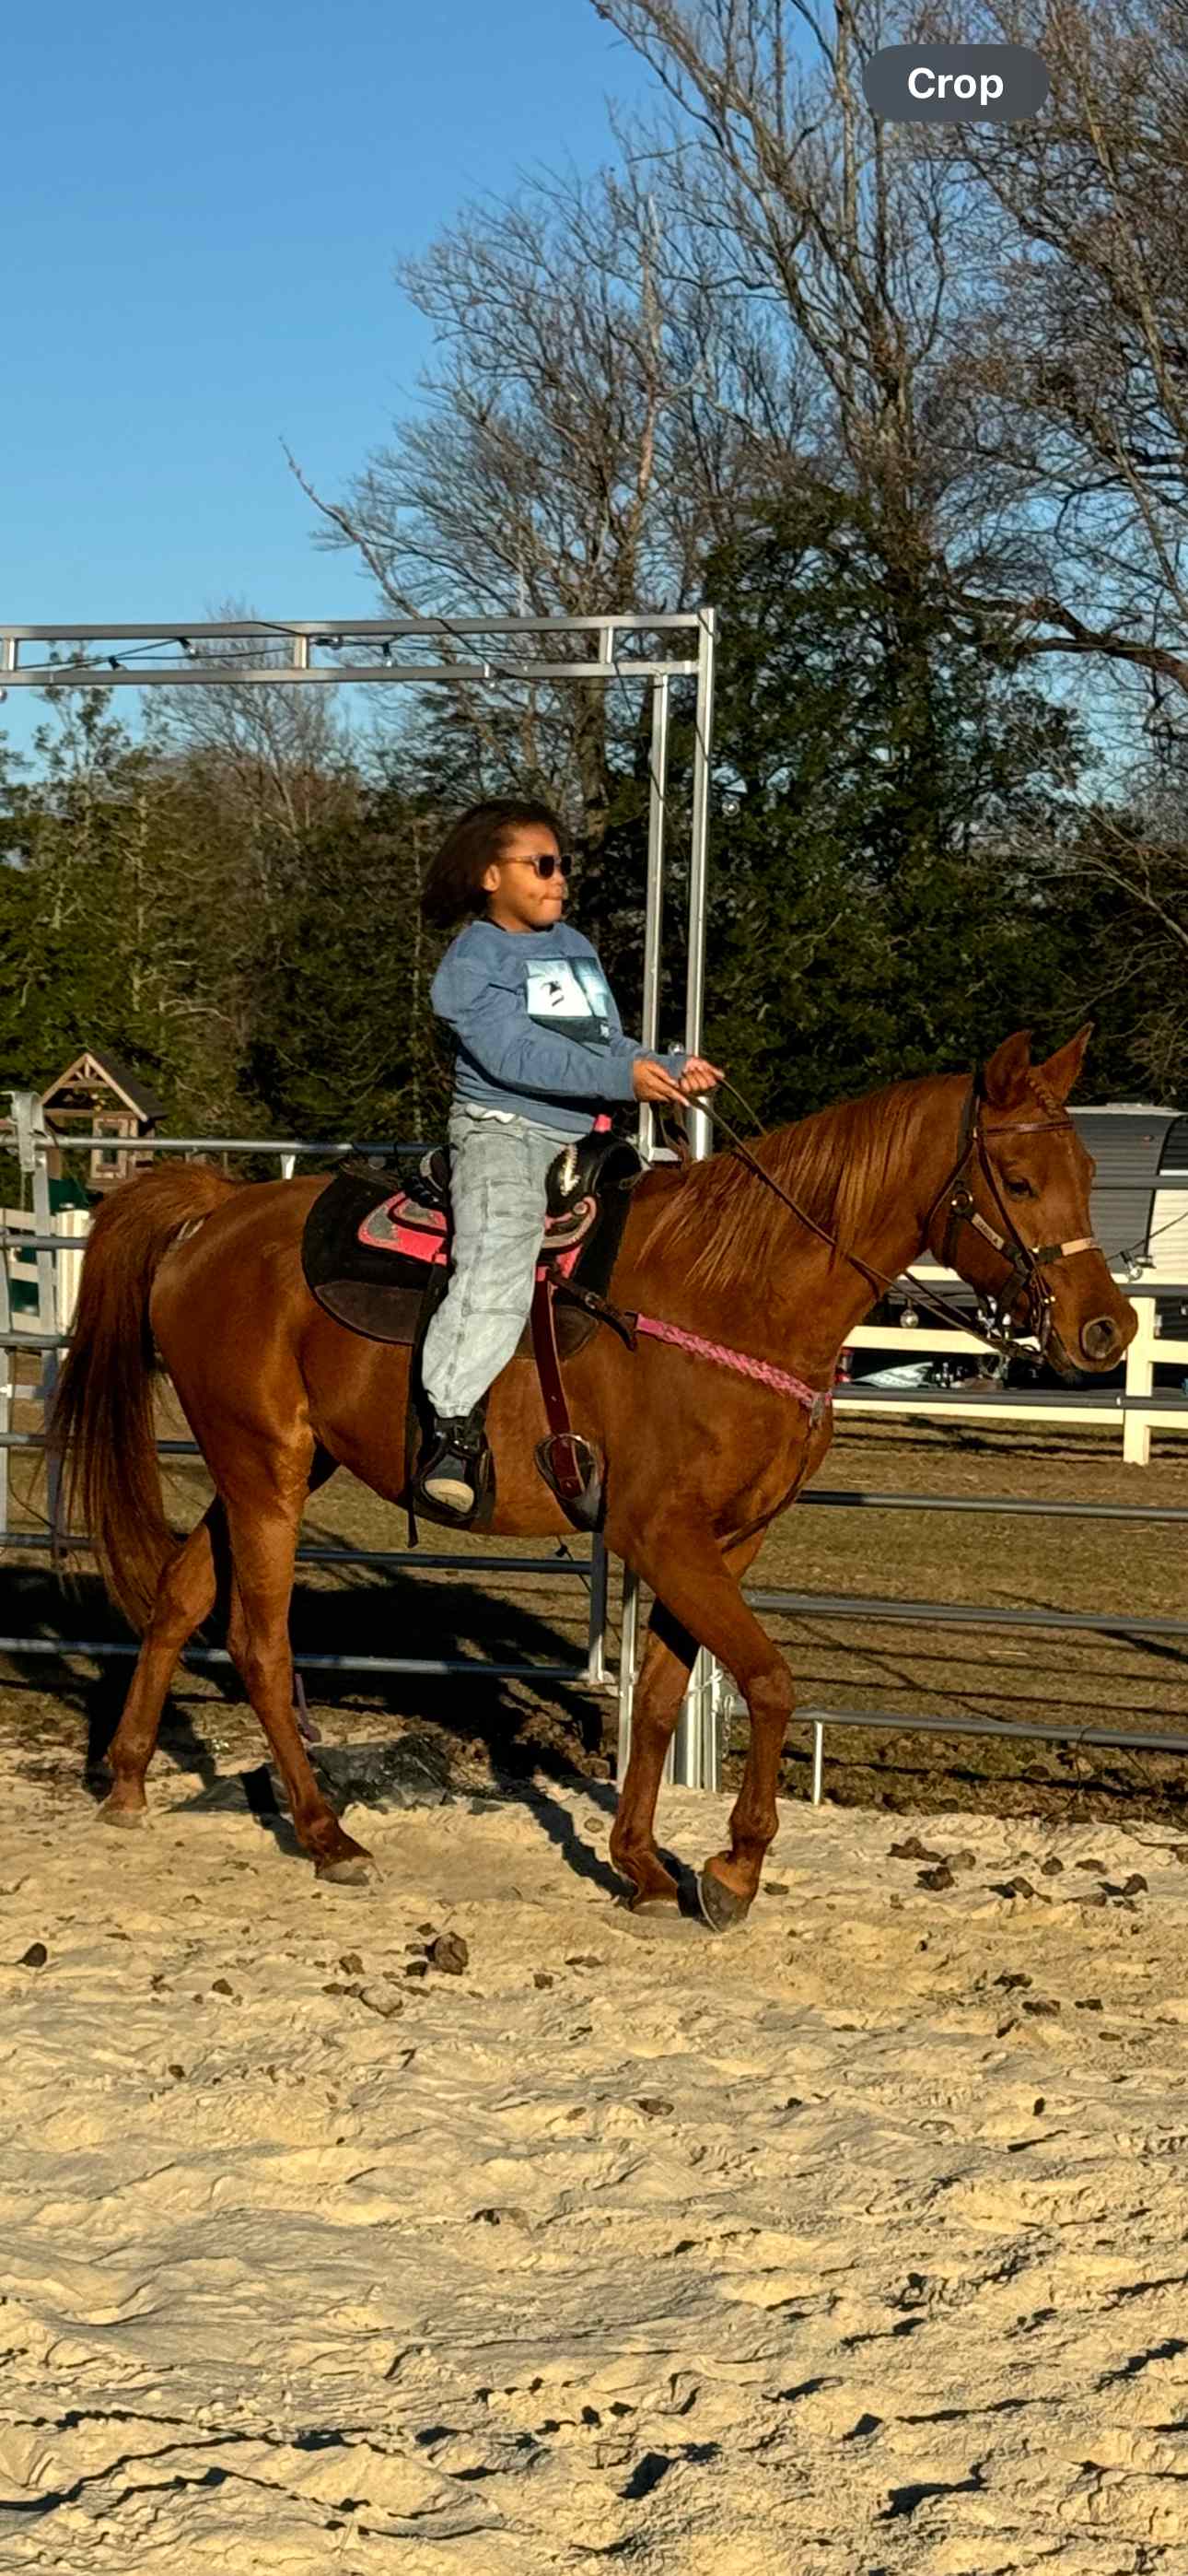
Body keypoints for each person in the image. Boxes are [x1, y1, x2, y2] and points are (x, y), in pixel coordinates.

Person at [414, 796, 722, 1518]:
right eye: (543, 865)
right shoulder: (474, 960)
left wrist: (662, 1066)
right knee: (499, 1254)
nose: (559, 880)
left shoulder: (573, 947)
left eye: (563, 866)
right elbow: (511, 1052)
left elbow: (595, 1043)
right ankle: (451, 1428)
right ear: (491, 876)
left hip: (586, 1138)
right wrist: (623, 1078)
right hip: (503, 1133)